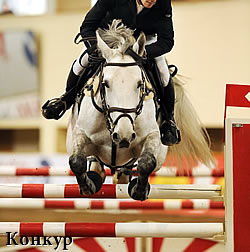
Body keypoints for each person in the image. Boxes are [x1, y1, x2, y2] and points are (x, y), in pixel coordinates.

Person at [42, 0, 180, 146]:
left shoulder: (163, 3)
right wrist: (96, 49)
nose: (152, 0)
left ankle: (168, 120)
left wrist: (144, 52)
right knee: (81, 63)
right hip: (110, 37)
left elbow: (167, 40)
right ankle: (65, 100)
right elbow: (87, 26)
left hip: (143, 43)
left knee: (164, 73)